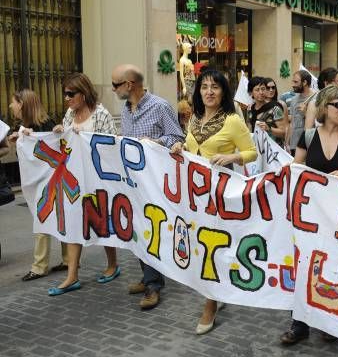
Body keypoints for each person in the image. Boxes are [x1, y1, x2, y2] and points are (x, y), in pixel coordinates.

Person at [280, 85, 338, 345]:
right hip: (312, 216)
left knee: (336, 267)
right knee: (306, 264)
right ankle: (300, 324)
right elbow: (297, 169)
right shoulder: (308, 136)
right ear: (324, 108)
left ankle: (330, 322)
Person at [170, 69, 257, 335]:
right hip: (193, 195)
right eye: (204, 87)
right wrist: (179, 148)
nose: (209, 92)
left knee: (212, 244)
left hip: (219, 194)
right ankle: (216, 292)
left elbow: (252, 152)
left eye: (215, 87)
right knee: (197, 242)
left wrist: (231, 158)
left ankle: (210, 303)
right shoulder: (194, 118)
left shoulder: (232, 120)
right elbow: (192, 148)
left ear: (224, 92)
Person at [112, 64, 185, 309]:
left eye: (115, 85)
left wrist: (154, 142)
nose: (113, 90)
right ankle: (147, 277)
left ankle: (154, 286)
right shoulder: (125, 110)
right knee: (136, 229)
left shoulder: (160, 106)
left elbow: (177, 138)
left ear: (129, 84)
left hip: (155, 182)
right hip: (132, 181)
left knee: (150, 229)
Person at [49, 73, 120, 296]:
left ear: (84, 92)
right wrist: (60, 132)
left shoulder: (101, 114)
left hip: (98, 179)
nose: (67, 98)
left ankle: (112, 264)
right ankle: (72, 275)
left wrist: (86, 138)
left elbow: (112, 145)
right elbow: (64, 144)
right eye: (65, 94)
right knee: (72, 222)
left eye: (71, 94)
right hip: (75, 180)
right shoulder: (70, 114)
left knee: (102, 220)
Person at [7, 89, 69, 281]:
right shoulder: (26, 125)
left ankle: (40, 266)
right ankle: (66, 259)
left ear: (22, 104)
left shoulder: (45, 124)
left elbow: (56, 145)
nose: (11, 106)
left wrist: (57, 131)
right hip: (43, 180)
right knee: (56, 217)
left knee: (43, 218)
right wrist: (20, 139)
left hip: (50, 180)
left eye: (13, 102)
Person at [247, 77, 286, 146]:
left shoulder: (275, 109)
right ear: (251, 93)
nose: (261, 92)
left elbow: (283, 133)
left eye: (263, 89)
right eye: (257, 90)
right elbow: (250, 131)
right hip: (257, 150)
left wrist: (269, 128)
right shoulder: (250, 110)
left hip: (273, 151)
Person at [288, 70, 315, 154]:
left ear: (305, 82)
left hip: (310, 146)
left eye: (296, 82)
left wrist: (306, 113)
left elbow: (320, 123)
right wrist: (287, 143)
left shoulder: (316, 99)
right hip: (294, 146)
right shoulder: (294, 99)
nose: (293, 85)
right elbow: (292, 123)